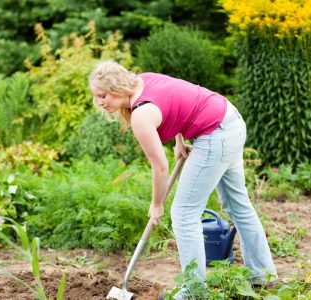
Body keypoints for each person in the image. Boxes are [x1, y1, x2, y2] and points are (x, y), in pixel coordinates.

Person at [89, 61, 277, 298]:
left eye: (102, 95)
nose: (99, 102)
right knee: (238, 205)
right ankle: (262, 275)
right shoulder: (143, 80)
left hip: (215, 135)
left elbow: (160, 168)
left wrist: (156, 205)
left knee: (184, 214)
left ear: (116, 87)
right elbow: (178, 100)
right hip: (230, 120)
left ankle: (193, 291)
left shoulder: (141, 114)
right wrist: (179, 140)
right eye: (96, 97)